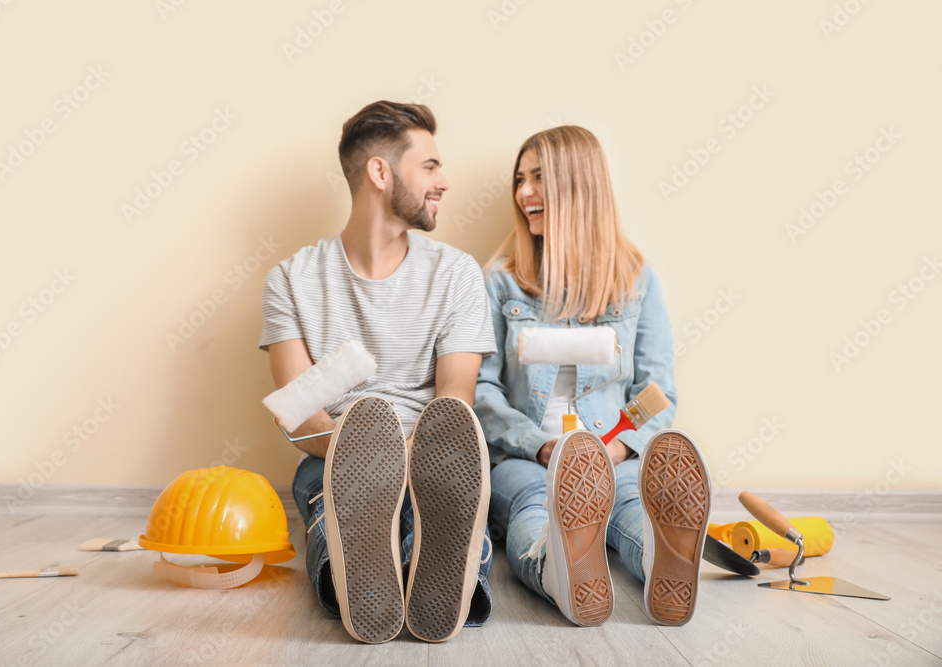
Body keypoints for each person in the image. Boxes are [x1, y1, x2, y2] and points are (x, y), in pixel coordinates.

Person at [260, 101, 495, 643]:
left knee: (438, 493)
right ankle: (366, 584)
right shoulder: (291, 280)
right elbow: (300, 416)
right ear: (380, 172)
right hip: (334, 454)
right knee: (330, 496)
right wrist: (362, 451)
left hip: (436, 456)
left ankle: (437, 575)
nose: (444, 182)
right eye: (430, 166)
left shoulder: (455, 274)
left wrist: (405, 453)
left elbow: (453, 402)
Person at [475, 125, 711, 627]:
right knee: (535, 503)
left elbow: (657, 392)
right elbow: (482, 388)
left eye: (538, 178)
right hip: (524, 457)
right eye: (520, 179)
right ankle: (557, 574)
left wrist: (616, 449)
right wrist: (543, 447)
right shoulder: (501, 281)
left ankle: (659, 561)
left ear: (579, 186)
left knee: (629, 500)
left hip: (613, 450)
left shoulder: (636, 280)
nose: (523, 194)